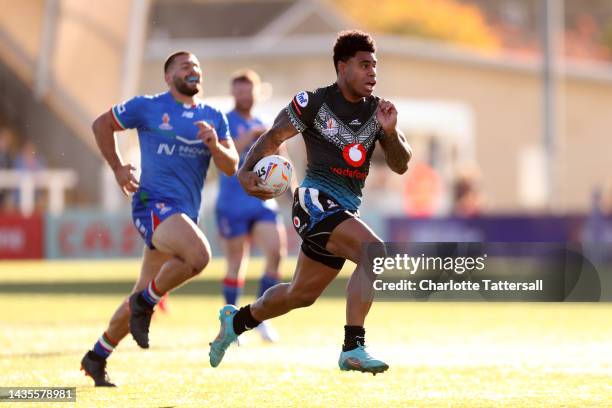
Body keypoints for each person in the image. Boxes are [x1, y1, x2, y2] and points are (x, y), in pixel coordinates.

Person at [209, 30, 412, 374]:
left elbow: (401, 164)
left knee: (299, 295)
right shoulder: (313, 103)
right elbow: (273, 136)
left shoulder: (378, 112)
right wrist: (245, 171)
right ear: (342, 66)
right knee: (373, 252)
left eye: (374, 66)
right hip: (314, 201)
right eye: (364, 65)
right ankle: (353, 348)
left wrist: (391, 133)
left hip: (343, 210)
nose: (372, 73)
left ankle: (236, 322)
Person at [81, 51, 239, 386]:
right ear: (168, 77)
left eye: (196, 66)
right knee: (199, 256)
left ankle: (96, 356)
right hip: (152, 204)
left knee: (141, 291)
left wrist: (213, 143)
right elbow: (101, 124)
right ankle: (146, 304)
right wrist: (118, 167)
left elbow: (231, 166)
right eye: (184, 66)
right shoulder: (148, 106)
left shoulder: (214, 117)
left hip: (181, 215)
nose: (192, 70)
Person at [215, 69, 290, 342]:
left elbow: (282, 164)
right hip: (232, 203)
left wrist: (292, 196)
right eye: (239, 90)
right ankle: (232, 323)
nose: (244, 95)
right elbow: (222, 158)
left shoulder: (264, 123)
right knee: (237, 263)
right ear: (233, 92)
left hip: (261, 202)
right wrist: (248, 139)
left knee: (276, 253)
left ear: (256, 93)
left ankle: (258, 318)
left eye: (248, 90)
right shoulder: (224, 121)